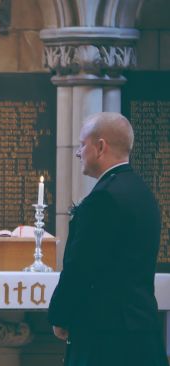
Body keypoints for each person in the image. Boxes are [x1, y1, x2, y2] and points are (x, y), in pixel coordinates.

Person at [48, 112, 168, 366]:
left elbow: (81, 267)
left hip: (106, 337)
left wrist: (60, 315)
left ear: (100, 146)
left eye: (82, 144)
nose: (79, 152)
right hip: (141, 331)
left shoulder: (104, 199)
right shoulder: (142, 193)